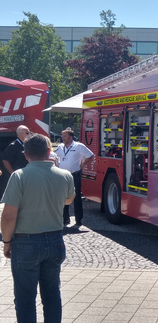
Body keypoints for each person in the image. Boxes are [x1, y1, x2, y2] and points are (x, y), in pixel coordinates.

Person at [1, 134, 75, 323]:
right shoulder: (65, 175)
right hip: (55, 241)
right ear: (49, 152)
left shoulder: (19, 176)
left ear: (25, 155)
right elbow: (68, 200)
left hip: (26, 242)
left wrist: (7, 242)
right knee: (52, 295)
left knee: (25, 298)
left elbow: (9, 216)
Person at [56, 127, 94, 226]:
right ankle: (65, 219)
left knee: (76, 197)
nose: (63, 138)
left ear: (71, 137)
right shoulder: (60, 147)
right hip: (62, 175)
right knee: (64, 197)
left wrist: (83, 164)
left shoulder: (78, 146)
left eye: (65, 136)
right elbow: (55, 157)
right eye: (62, 136)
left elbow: (90, 155)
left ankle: (78, 219)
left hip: (74, 174)